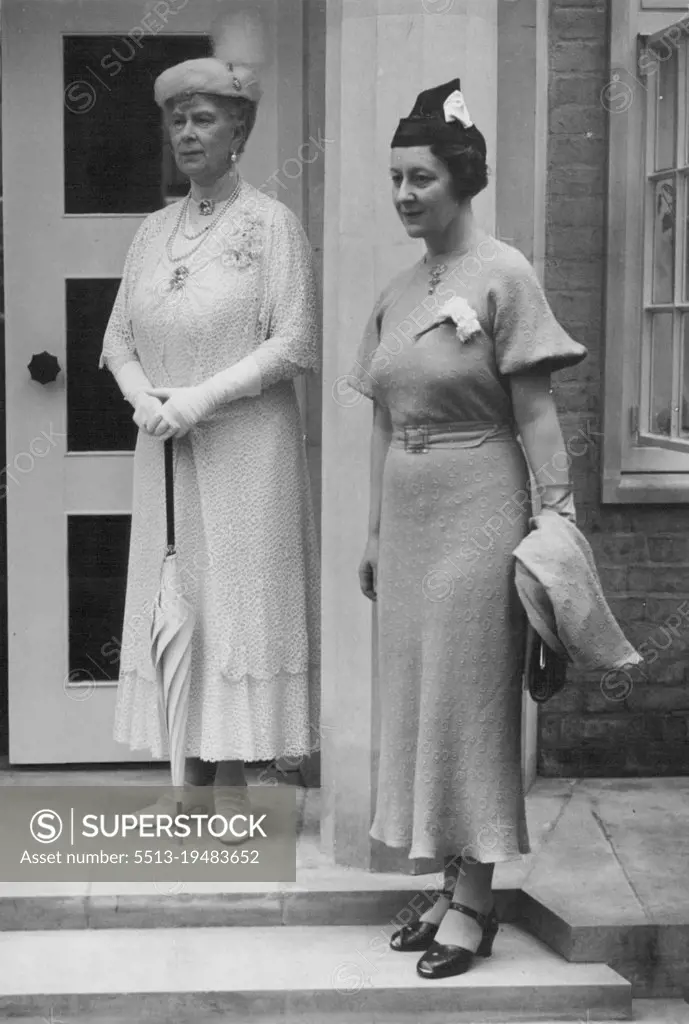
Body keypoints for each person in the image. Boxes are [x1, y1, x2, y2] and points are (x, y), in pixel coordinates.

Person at [347, 79, 586, 979]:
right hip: (407, 520)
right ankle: (450, 879)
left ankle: (477, 899)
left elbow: (535, 415)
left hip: (480, 504)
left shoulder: (503, 273)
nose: (405, 194)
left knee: (470, 700)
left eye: (421, 178)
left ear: (462, 179)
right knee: (421, 701)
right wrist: (372, 532)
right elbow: (377, 414)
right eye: (396, 178)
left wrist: (552, 520)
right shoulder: (399, 288)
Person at [100, 20, 320, 831]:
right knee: (174, 598)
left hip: (245, 450)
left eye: (204, 119)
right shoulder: (152, 231)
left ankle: (234, 791)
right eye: (177, 120)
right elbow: (117, 335)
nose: (188, 134)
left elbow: (293, 340)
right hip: (162, 445)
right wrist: (141, 394)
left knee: (233, 601)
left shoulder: (271, 227)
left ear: (240, 131)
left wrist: (200, 397)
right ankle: (185, 785)